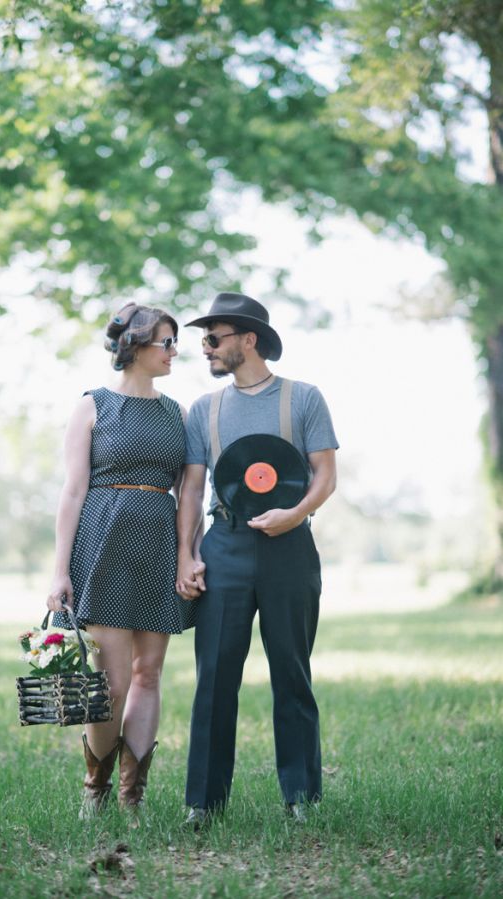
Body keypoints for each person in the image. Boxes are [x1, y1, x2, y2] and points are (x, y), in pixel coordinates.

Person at [176, 291, 338, 827]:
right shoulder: (204, 410)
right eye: (203, 339)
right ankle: (203, 803)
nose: (205, 347)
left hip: (290, 549)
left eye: (213, 338)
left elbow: (324, 475)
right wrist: (186, 556)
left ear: (248, 339)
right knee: (214, 677)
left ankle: (301, 797)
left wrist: (295, 514)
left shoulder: (303, 398)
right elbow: (192, 489)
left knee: (292, 672)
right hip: (223, 548)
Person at [47, 302, 190, 818]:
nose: (174, 352)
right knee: (111, 683)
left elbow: (188, 492)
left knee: (148, 673)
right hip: (103, 545)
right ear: (135, 346)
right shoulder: (93, 405)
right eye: (166, 342)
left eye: (175, 342)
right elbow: (72, 491)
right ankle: (96, 788)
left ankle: (132, 797)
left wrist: (187, 555)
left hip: (158, 545)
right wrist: (60, 570)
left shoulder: (177, 414)